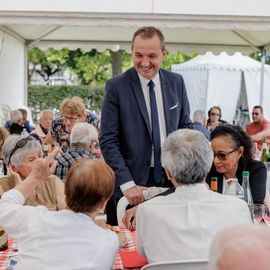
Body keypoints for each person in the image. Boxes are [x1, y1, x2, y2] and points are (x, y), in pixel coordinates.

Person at [100, 26, 193, 208]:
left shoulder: (177, 82)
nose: (144, 62)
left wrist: (189, 176)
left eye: (152, 56)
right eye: (139, 55)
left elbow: (186, 128)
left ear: (164, 54)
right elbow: (108, 140)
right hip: (132, 185)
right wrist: (127, 184)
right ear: (132, 52)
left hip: (172, 180)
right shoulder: (115, 86)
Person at [136, 129, 252, 263]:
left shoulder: (146, 211)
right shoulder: (238, 207)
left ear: (168, 172)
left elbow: (144, 253)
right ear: (209, 166)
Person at [0, 158, 119, 269]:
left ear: (66, 192)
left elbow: (4, 205)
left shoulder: (34, 218)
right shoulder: (109, 240)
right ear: (103, 202)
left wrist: (35, 177)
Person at [0, 134, 65, 210]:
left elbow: (66, 216)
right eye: (31, 159)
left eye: (40, 156)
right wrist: (21, 188)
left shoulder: (53, 181)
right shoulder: (2, 187)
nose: (40, 161)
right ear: (14, 167)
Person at [206, 124, 266, 204]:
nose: (215, 160)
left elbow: (255, 206)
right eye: (213, 154)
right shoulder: (209, 170)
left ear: (240, 152)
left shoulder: (255, 170)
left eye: (222, 155)